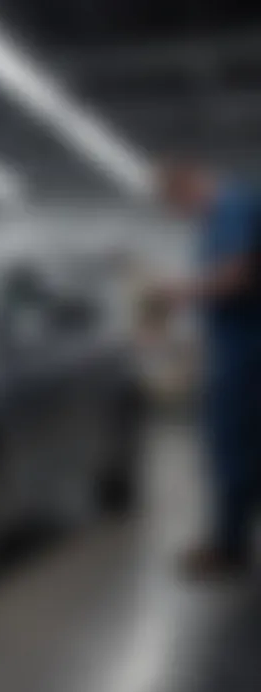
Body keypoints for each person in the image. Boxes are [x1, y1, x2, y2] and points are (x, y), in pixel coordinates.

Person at [155, 160, 261, 580]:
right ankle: (230, 541)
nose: (184, 218)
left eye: (178, 208)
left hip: (247, 355)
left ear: (186, 187)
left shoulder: (230, 208)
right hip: (238, 351)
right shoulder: (230, 211)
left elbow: (235, 276)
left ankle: (230, 548)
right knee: (238, 449)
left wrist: (181, 291)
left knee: (230, 447)